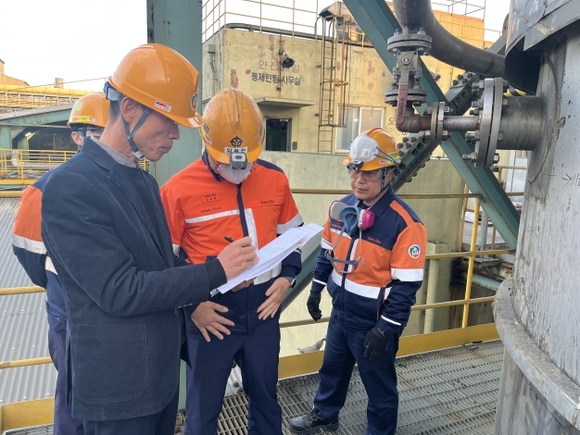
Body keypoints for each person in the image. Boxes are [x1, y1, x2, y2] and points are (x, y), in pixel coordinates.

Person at [39, 44, 258, 435]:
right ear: (129, 108)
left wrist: (221, 276)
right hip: (119, 393)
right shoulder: (71, 187)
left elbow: (163, 264)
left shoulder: (143, 181)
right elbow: (120, 290)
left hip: (159, 380)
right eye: (169, 120)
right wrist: (215, 271)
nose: (176, 133)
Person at [160, 88, 303, 435]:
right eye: (228, 162)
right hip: (211, 313)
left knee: (266, 398)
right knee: (203, 407)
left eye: (246, 161)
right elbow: (164, 261)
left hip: (263, 310)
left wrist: (287, 278)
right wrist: (192, 306)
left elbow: (293, 237)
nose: (239, 169)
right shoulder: (177, 190)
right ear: (207, 145)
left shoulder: (275, 179)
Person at [288, 128, 427, 435]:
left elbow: (406, 287)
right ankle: (325, 414)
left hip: (374, 322)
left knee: (379, 387)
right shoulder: (340, 209)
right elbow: (326, 252)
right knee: (332, 370)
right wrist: (316, 289)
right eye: (354, 170)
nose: (359, 180)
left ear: (389, 174)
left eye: (369, 173)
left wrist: (385, 328)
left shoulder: (405, 224)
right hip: (341, 313)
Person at [11, 91, 110, 435]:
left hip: (110, 309)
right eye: (95, 134)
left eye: (106, 132)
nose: (102, 141)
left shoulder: (123, 185)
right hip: (68, 309)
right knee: (72, 393)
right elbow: (28, 253)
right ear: (77, 137)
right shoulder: (44, 190)